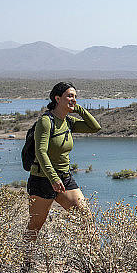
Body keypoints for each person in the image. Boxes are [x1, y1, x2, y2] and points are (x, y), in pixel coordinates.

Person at [24, 82, 101, 260]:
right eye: (69, 96)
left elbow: (95, 127)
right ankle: (25, 263)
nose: (73, 99)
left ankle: (94, 260)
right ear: (57, 98)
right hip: (43, 179)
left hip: (65, 177)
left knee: (85, 216)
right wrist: (52, 178)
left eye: (75, 96)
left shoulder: (68, 121)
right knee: (36, 225)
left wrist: (78, 109)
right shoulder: (46, 121)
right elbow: (40, 152)